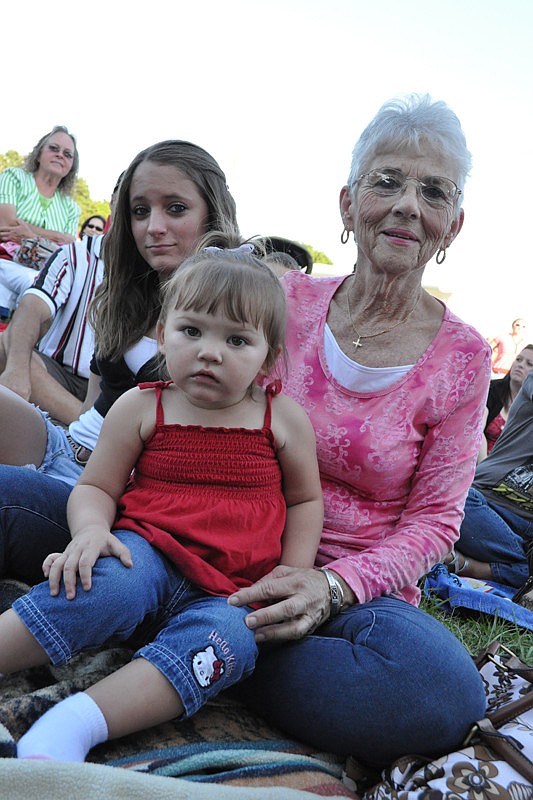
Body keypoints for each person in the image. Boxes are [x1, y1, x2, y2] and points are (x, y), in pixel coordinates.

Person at [227, 94, 492, 767]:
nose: (407, 204)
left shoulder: (461, 360)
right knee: (22, 501)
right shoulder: (285, 302)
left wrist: (331, 587)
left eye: (432, 191)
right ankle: (213, 638)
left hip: (354, 600)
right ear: (347, 205)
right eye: (386, 181)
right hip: (230, 546)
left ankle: (207, 648)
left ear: (450, 226)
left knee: (441, 692)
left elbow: (435, 522)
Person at [0, 247, 323, 763]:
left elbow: (305, 500)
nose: (210, 352)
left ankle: (77, 724)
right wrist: (88, 531)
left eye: (237, 340)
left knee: (230, 643)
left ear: (268, 356)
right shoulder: (142, 405)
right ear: (161, 333)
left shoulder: (281, 418)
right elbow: (97, 487)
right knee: (102, 581)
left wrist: (293, 571)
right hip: (144, 555)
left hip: (233, 590)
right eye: (191, 331)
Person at [0, 138, 239, 586]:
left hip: (107, 494)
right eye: (140, 210)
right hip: (62, 447)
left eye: (176, 208)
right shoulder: (128, 291)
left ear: (211, 211)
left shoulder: (233, 309)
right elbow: (94, 399)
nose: (153, 227)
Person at [0, 234, 105, 425]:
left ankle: (85, 429)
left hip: (116, 393)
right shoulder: (75, 254)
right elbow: (31, 308)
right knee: (6, 347)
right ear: (114, 203)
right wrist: (16, 372)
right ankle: (87, 429)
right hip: (57, 376)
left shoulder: (158, 262)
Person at [451, 370, 533, 589]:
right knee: (455, 494)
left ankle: (467, 564)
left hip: (527, 528)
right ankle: (518, 570)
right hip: (486, 502)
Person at [0, 126, 81, 315]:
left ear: (71, 167)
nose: (60, 155)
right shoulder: (14, 177)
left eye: (68, 154)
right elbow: (6, 225)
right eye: (54, 148)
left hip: (45, 270)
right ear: (38, 154)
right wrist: (55, 236)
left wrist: (28, 235)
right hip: (6, 259)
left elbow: (67, 249)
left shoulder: (71, 207)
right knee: (38, 287)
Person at [479, 344, 533, 461]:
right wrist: (483, 465)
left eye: (529, 364)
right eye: (518, 360)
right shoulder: (492, 389)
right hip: (479, 461)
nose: (520, 365)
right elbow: (478, 429)